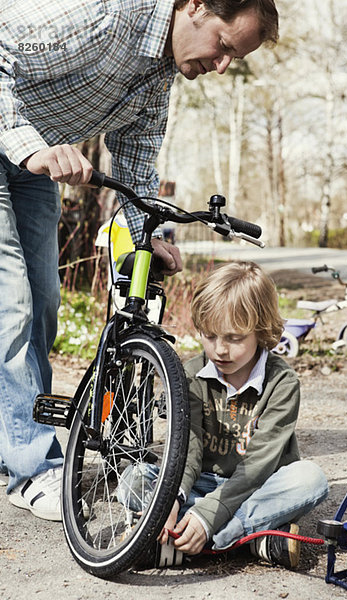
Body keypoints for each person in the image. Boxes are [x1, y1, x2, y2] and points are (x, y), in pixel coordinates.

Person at [0, 1, 279, 520]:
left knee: (42, 302)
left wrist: (143, 234)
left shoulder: (157, 79)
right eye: (223, 46)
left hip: (32, 160)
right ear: (195, 7)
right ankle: (31, 468)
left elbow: (135, 160)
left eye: (232, 60)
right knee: (9, 302)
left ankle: (11, 432)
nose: (220, 67)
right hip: (17, 141)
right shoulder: (109, 14)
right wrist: (28, 146)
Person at [119, 261, 329, 568]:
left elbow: (258, 467)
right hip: (200, 483)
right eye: (210, 335)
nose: (220, 350)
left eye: (234, 338)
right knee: (132, 480)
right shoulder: (190, 374)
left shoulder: (282, 383)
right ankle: (259, 538)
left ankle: (203, 540)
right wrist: (173, 500)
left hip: (259, 486)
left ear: (261, 330)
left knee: (311, 479)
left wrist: (207, 518)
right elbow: (187, 453)